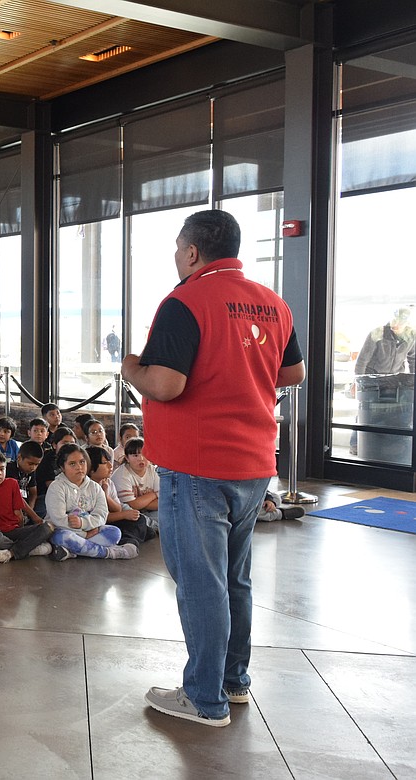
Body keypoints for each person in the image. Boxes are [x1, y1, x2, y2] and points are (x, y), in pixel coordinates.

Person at [122, 209, 304, 728]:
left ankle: (204, 698)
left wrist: (131, 366)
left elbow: (167, 385)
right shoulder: (272, 302)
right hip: (253, 464)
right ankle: (233, 680)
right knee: (234, 578)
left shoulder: (186, 301)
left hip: (197, 465)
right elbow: (293, 371)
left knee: (201, 582)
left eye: (178, 249)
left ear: (193, 252)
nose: (177, 258)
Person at [45, 443, 137, 561]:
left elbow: (102, 515)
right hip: (64, 530)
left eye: (82, 462)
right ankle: (109, 553)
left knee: (114, 532)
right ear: (62, 467)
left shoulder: (95, 487)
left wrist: (84, 524)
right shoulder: (57, 487)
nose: (79, 467)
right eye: (72, 464)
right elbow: (58, 520)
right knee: (62, 537)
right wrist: (84, 534)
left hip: (90, 530)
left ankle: (72, 551)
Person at [0, 451, 53, 560]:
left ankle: (10, 553)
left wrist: (24, 529)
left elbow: (18, 514)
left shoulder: (12, 483)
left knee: (47, 528)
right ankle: (30, 548)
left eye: (2, 469)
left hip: (13, 530)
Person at [355, 306, 415, 375]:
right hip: (373, 377)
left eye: (400, 323)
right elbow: (362, 360)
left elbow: (413, 360)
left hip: (395, 378)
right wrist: (359, 381)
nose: (395, 324)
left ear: (407, 324)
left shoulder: (411, 337)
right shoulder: (378, 333)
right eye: (394, 320)